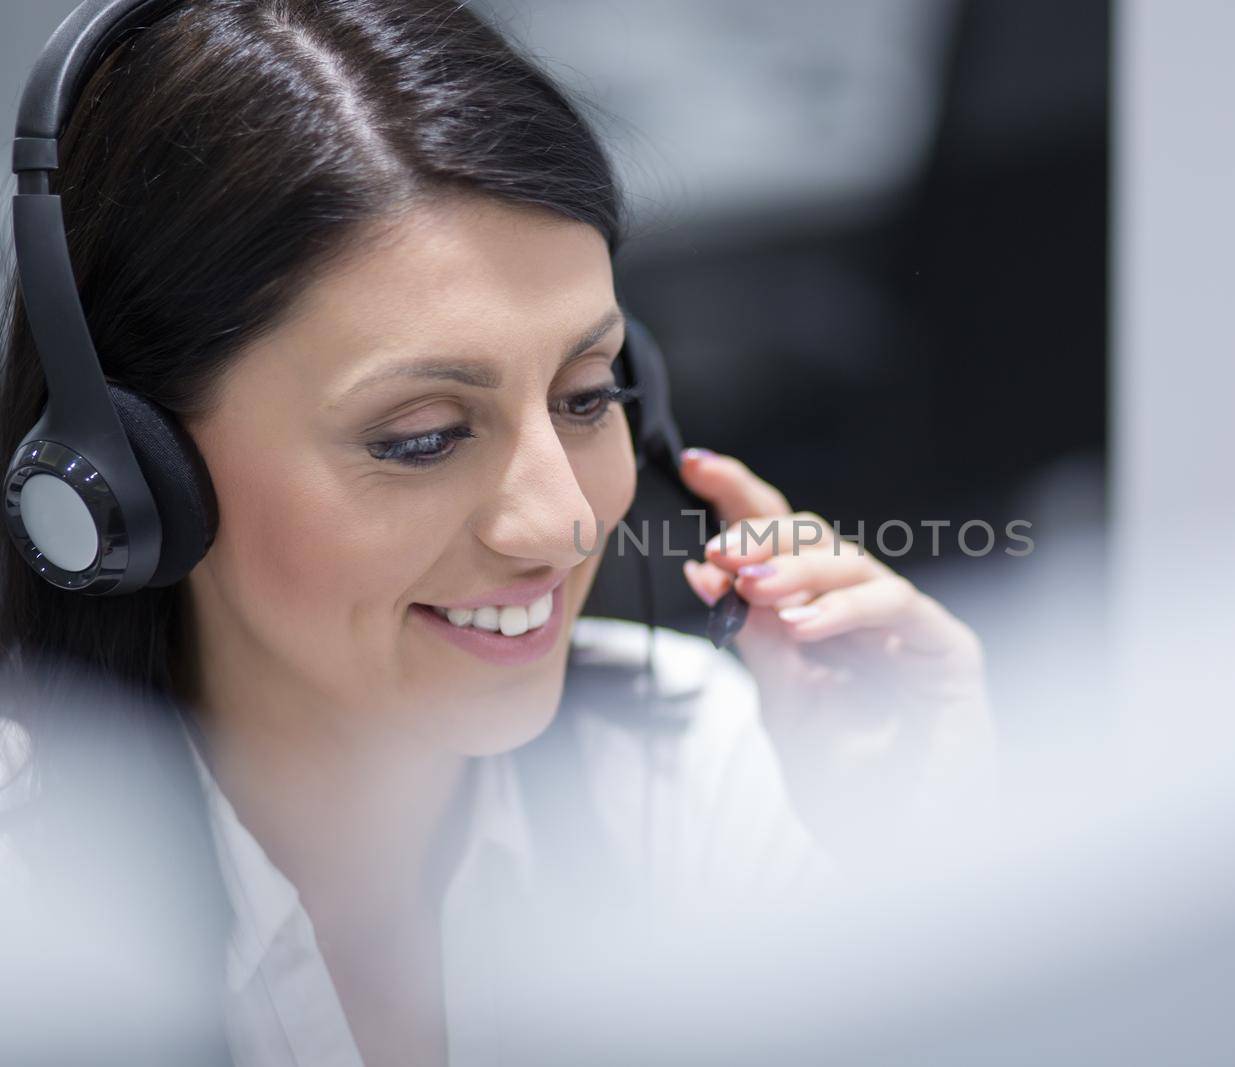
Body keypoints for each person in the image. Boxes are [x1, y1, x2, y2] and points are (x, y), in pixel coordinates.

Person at [0, 2, 993, 1064]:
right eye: (422, 436)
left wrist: (924, 852)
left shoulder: (699, 764)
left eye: (587, 393)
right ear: (131, 473)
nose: (563, 522)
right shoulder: (36, 916)